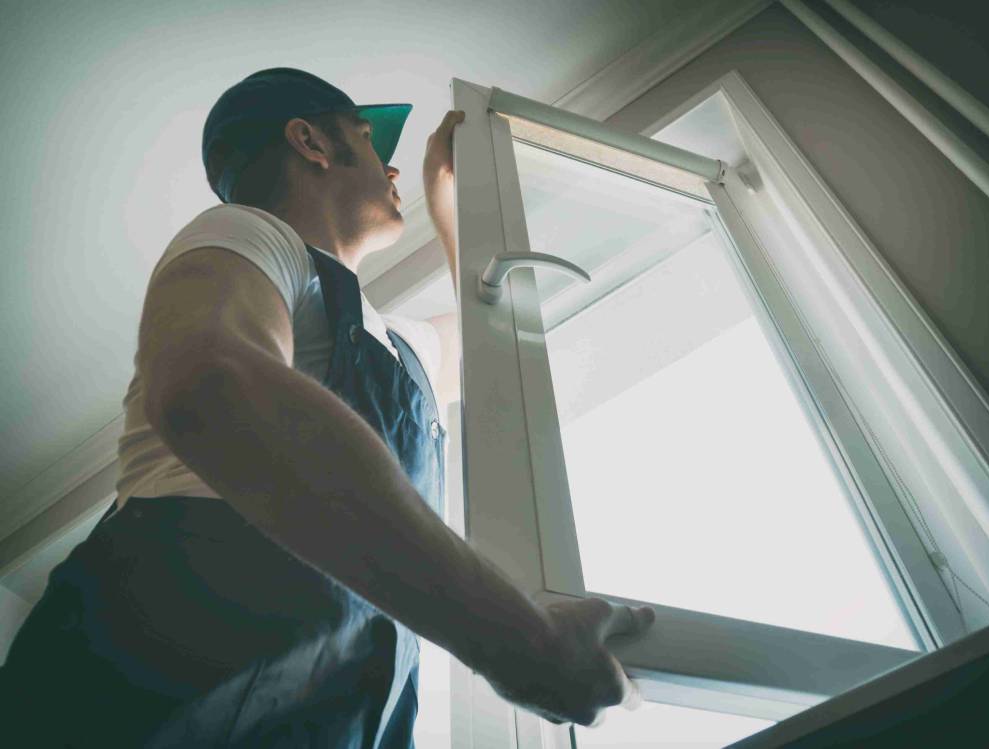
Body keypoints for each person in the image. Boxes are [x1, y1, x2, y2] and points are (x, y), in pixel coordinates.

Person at [0, 67, 654, 747]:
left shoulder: (401, 344)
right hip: (165, 667)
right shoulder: (251, 238)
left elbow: (492, 347)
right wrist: (519, 639)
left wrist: (458, 205)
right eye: (370, 141)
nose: (391, 166)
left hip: (340, 705)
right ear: (312, 142)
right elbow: (212, 386)